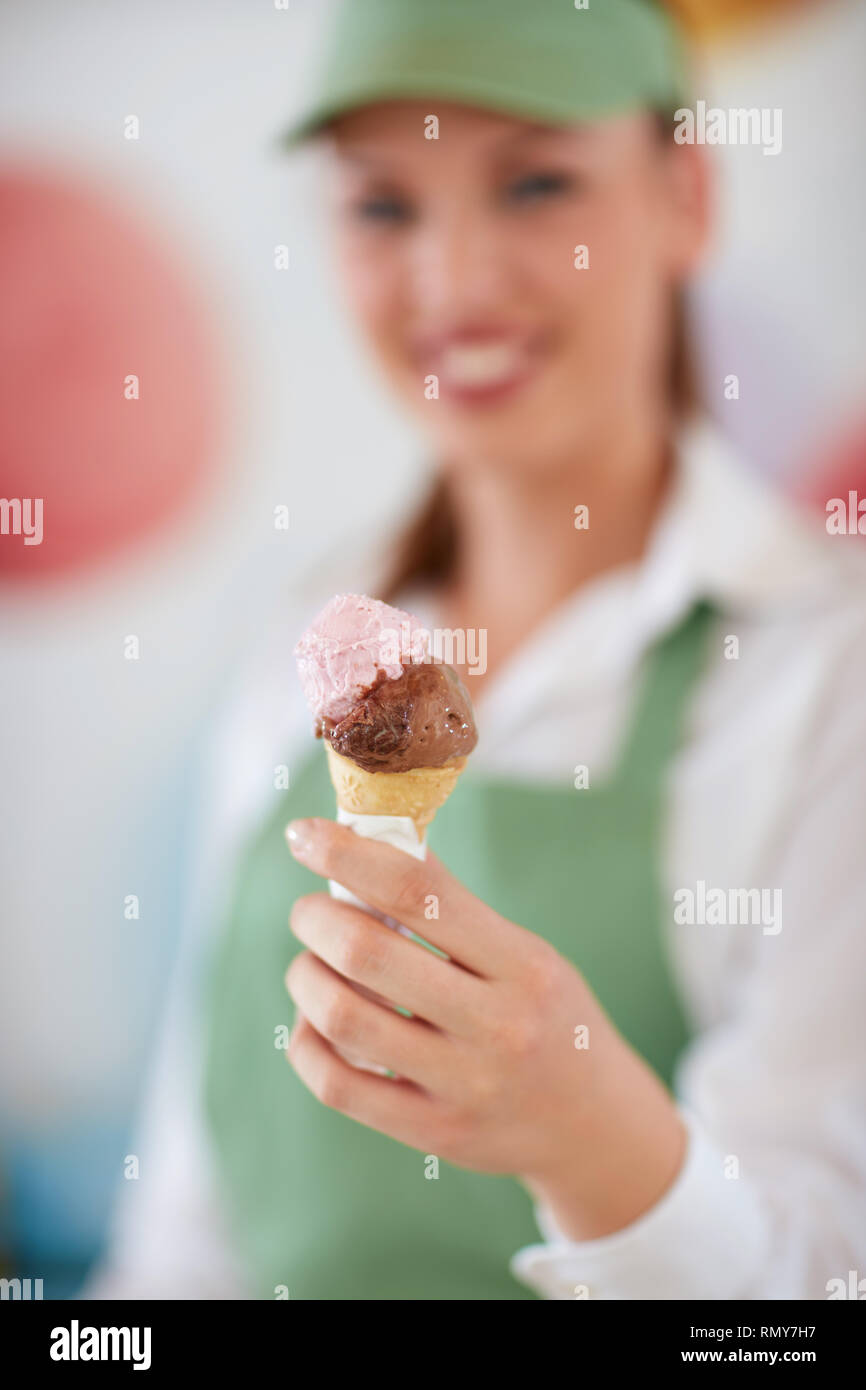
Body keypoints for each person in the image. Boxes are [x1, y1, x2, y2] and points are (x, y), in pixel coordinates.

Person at [89, 0, 866, 1301]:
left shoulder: (823, 670)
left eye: (535, 182)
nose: (452, 282)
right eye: (382, 207)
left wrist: (594, 1140)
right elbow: (179, 1247)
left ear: (683, 197)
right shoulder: (292, 655)